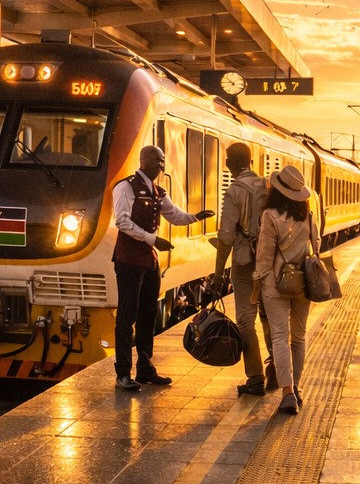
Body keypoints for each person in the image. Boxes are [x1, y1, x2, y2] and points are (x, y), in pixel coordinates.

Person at [112, 145, 212, 391]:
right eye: (159, 162)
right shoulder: (126, 187)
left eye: (163, 162)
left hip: (149, 261)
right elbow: (122, 221)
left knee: (148, 314)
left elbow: (175, 215)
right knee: (127, 315)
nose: (162, 166)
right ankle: (123, 373)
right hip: (129, 260)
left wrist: (196, 217)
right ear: (145, 161)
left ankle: (145, 368)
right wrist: (152, 239)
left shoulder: (157, 191)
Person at [212, 143, 277, 396]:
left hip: (244, 263)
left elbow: (226, 236)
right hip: (269, 261)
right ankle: (274, 369)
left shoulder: (235, 191)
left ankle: (255, 377)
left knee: (245, 320)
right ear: (250, 161)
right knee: (269, 316)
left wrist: (218, 273)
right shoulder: (268, 187)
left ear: (229, 163)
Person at [254, 165, 317, 414]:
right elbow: (317, 244)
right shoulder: (308, 216)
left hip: (275, 284)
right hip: (303, 283)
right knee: (299, 337)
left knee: (280, 337)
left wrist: (260, 282)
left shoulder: (270, 215)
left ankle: (288, 392)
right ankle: (297, 387)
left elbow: (264, 254)